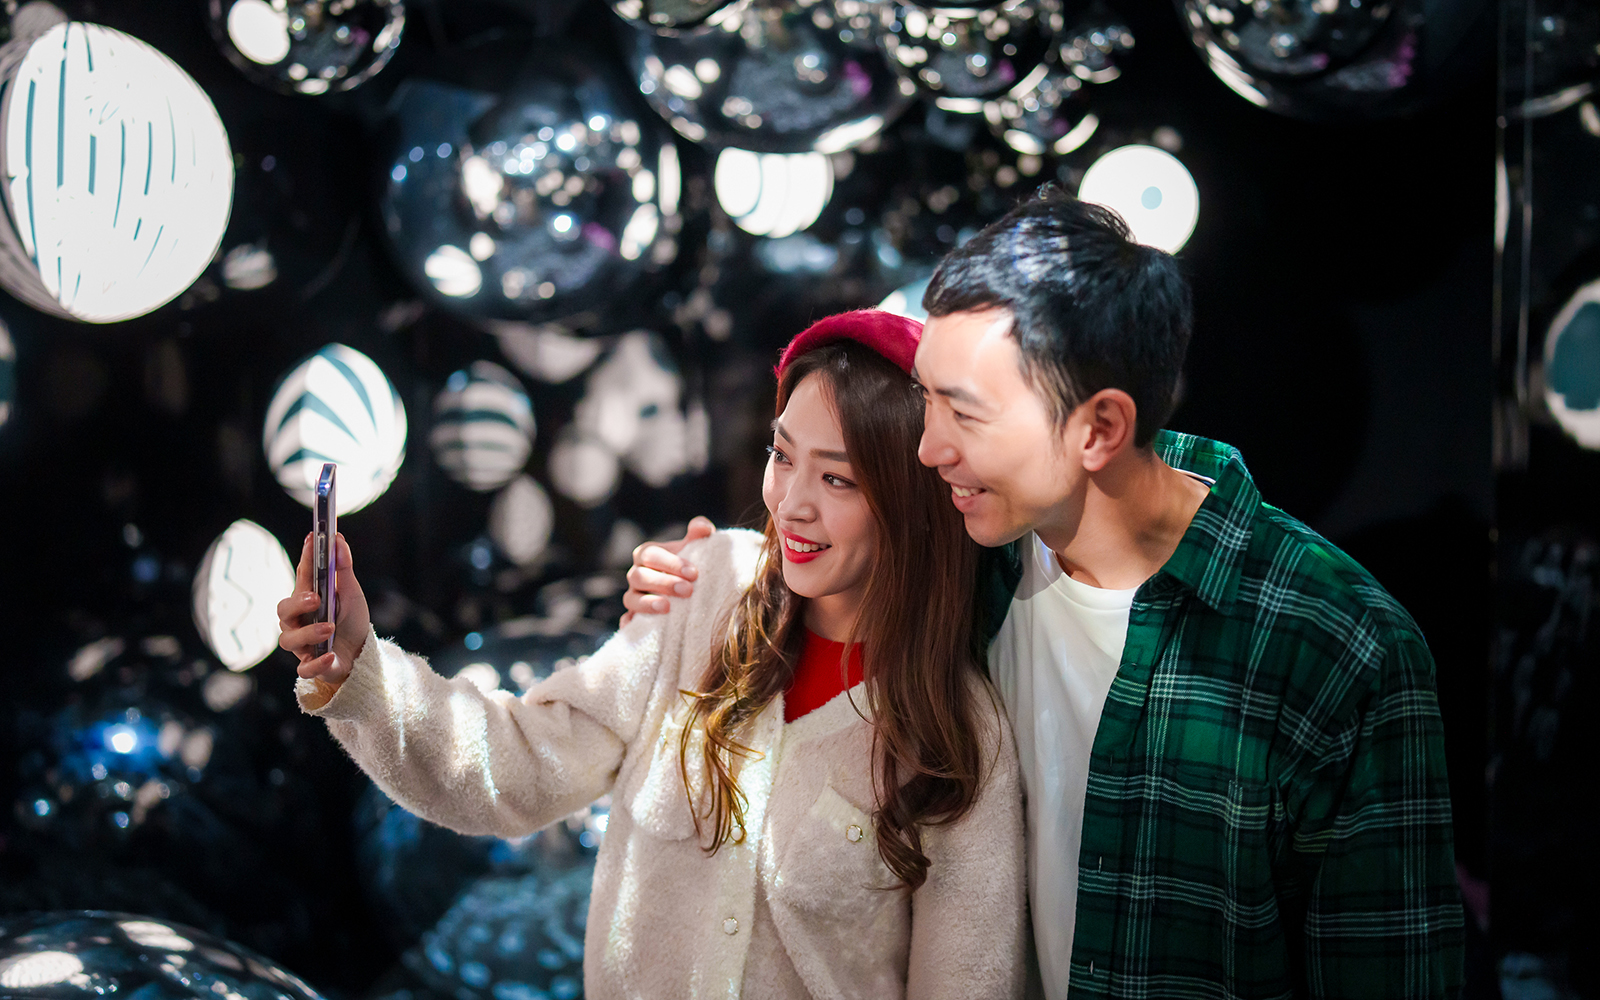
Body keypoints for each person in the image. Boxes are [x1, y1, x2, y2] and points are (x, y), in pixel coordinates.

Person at [623, 191, 1465, 998]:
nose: (928, 449)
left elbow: (1388, 970)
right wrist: (696, 585)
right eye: (927, 400)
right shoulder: (962, 554)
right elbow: (802, 583)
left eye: (965, 414)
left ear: (1100, 428)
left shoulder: (1336, 644)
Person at [278, 310, 1027, 1000]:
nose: (792, 502)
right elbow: (520, 765)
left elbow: (969, 985)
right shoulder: (705, 588)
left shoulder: (961, 736)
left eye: (837, 478)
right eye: (782, 454)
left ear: (913, 501)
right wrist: (360, 669)